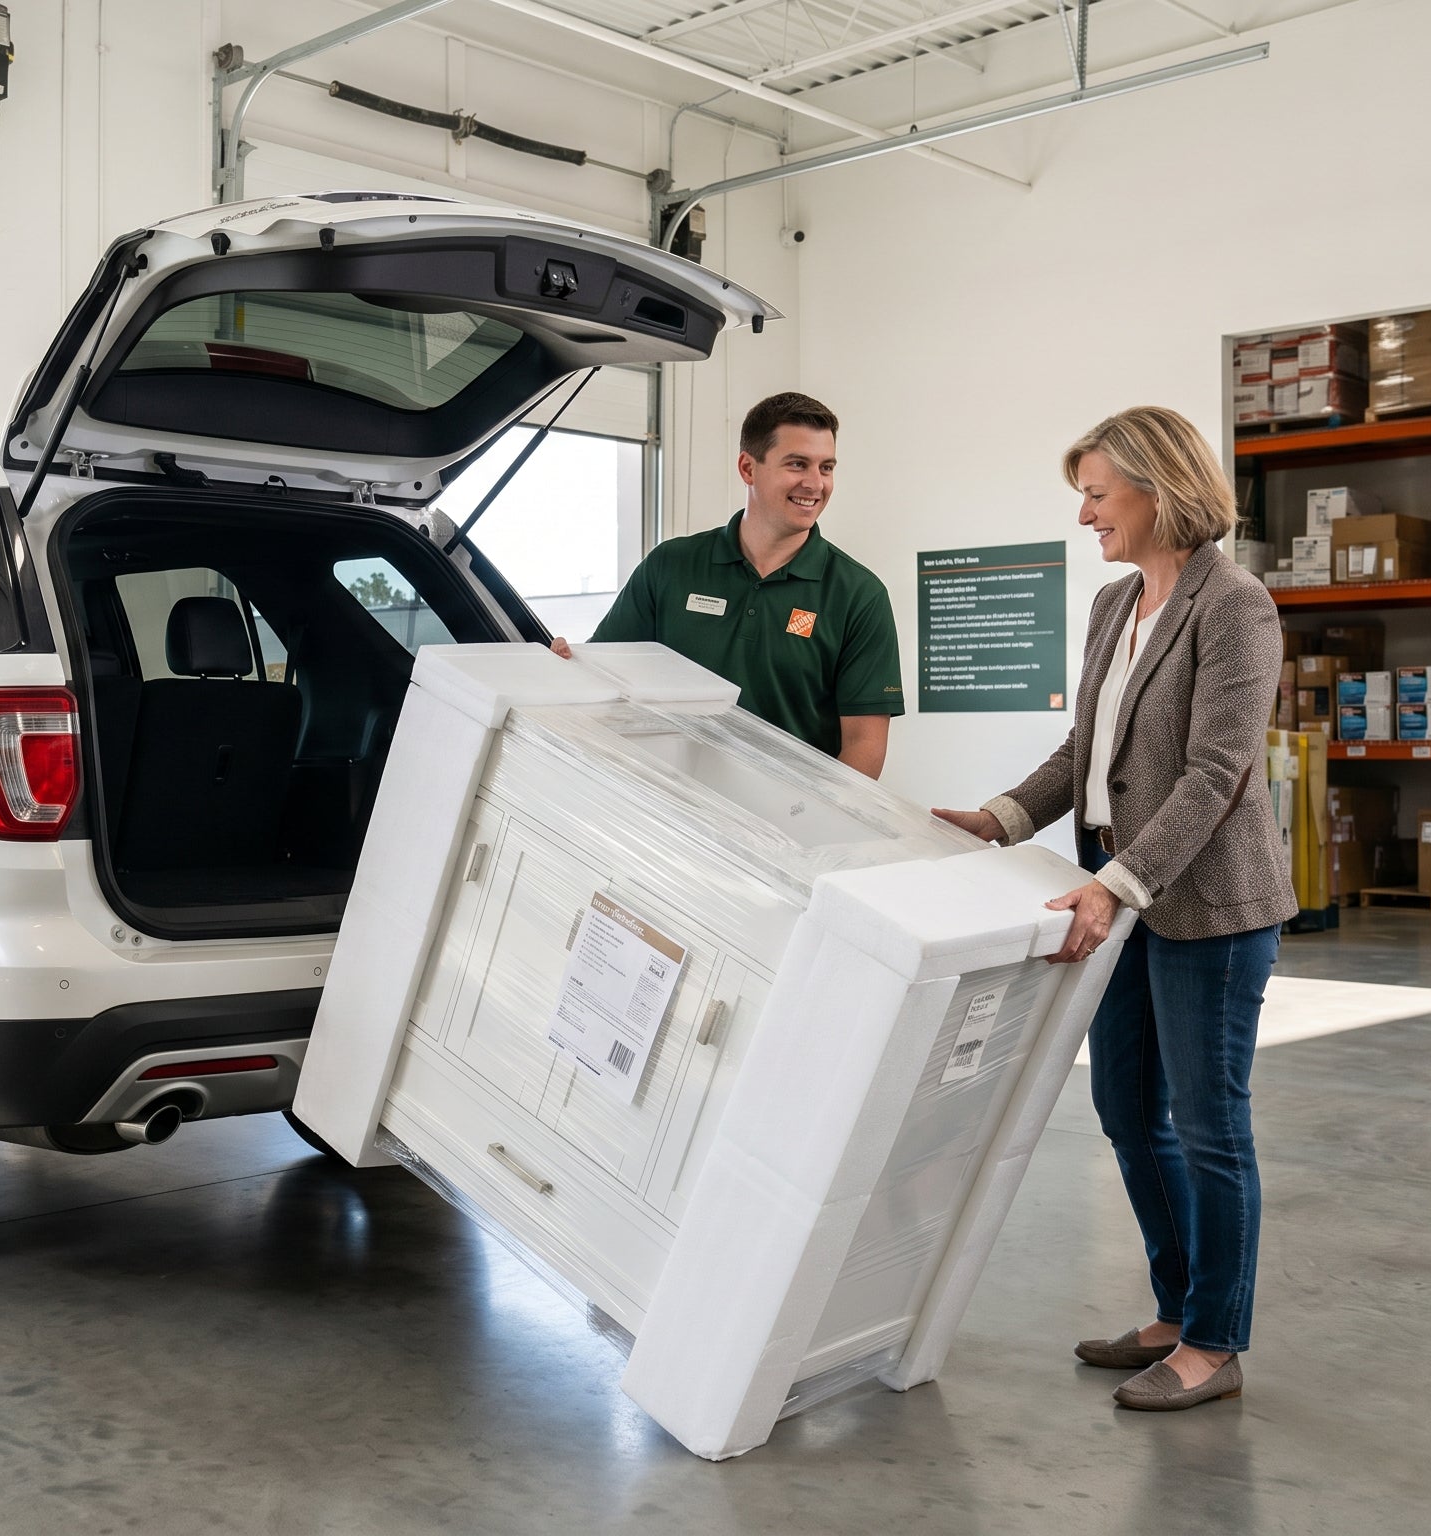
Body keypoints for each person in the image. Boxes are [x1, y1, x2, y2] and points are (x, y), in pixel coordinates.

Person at [930, 405, 1293, 1413]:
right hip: (1118, 890)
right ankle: (1175, 1311)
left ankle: (1215, 1342)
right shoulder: (1110, 606)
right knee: (1128, 1110)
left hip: (1206, 905)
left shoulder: (1234, 608)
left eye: (1096, 491)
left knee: (1209, 1123)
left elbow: (1217, 771)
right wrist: (996, 819)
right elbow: (1083, 756)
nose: (1084, 512)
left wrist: (1115, 883)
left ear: (1156, 487)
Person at [553, 393, 902, 777]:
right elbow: (605, 681)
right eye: (797, 464)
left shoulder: (858, 595)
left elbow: (864, 746)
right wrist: (567, 665)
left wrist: (815, 828)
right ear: (748, 468)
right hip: (668, 808)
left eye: (827, 467)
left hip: (790, 824)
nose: (815, 483)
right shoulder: (671, 566)